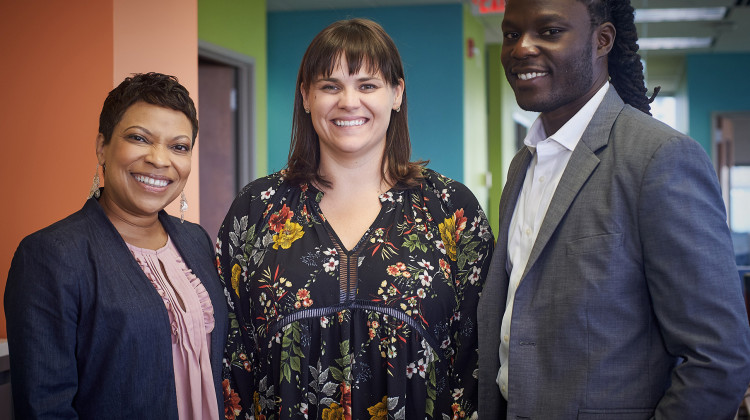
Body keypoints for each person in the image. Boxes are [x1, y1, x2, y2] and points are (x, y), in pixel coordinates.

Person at [477, 0, 750, 418]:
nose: (522, 48)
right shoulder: (522, 166)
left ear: (602, 40)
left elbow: (717, 358)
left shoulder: (660, 157)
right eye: (512, 34)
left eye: (549, 32)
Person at [218, 18, 493, 419]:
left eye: (367, 85)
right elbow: (233, 359)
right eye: (330, 86)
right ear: (306, 96)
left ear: (396, 94)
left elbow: (478, 359)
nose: (349, 101)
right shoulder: (257, 209)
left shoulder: (451, 209)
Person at [4, 72, 228, 419]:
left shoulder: (195, 240)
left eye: (179, 146)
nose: (159, 159)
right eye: (140, 138)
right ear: (102, 147)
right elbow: (44, 407)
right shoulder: (52, 255)